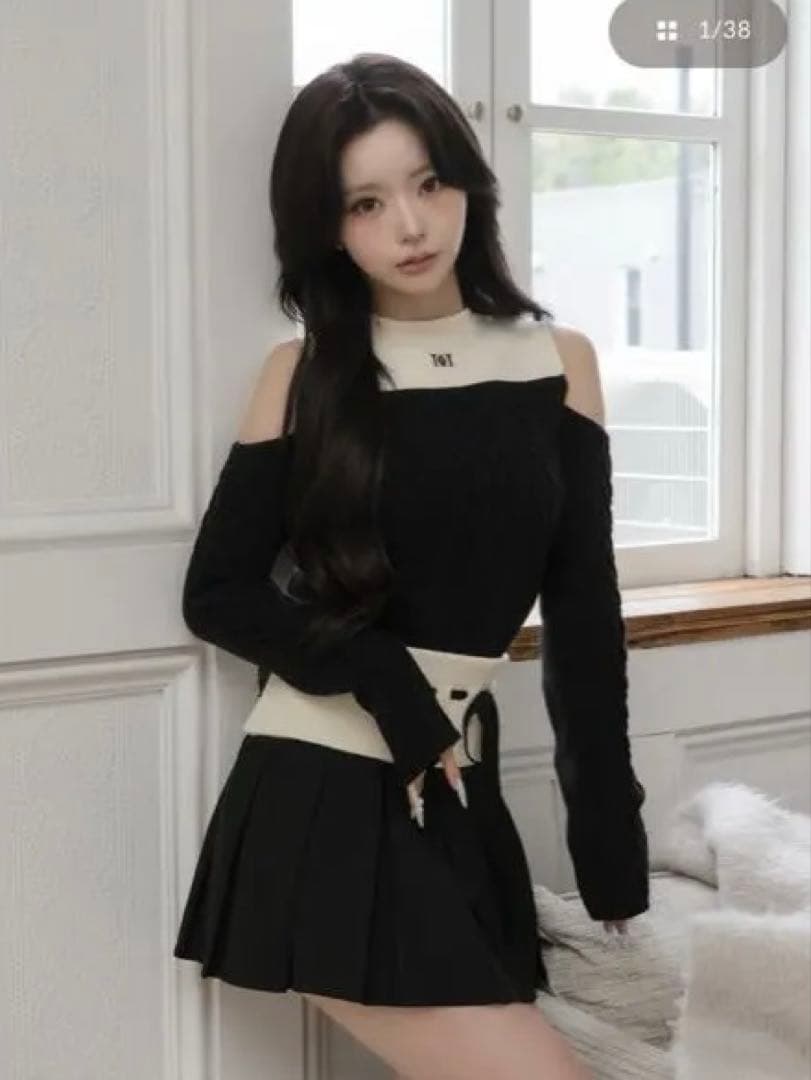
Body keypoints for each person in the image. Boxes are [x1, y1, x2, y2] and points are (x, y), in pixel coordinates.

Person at [173, 51, 649, 1080]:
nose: (411, 225)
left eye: (430, 184)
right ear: (327, 226)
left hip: (454, 786)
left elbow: (584, 622)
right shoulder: (303, 375)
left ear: (468, 182)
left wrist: (610, 849)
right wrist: (385, 679)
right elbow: (216, 594)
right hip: (323, 785)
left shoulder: (555, 361)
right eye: (366, 202)